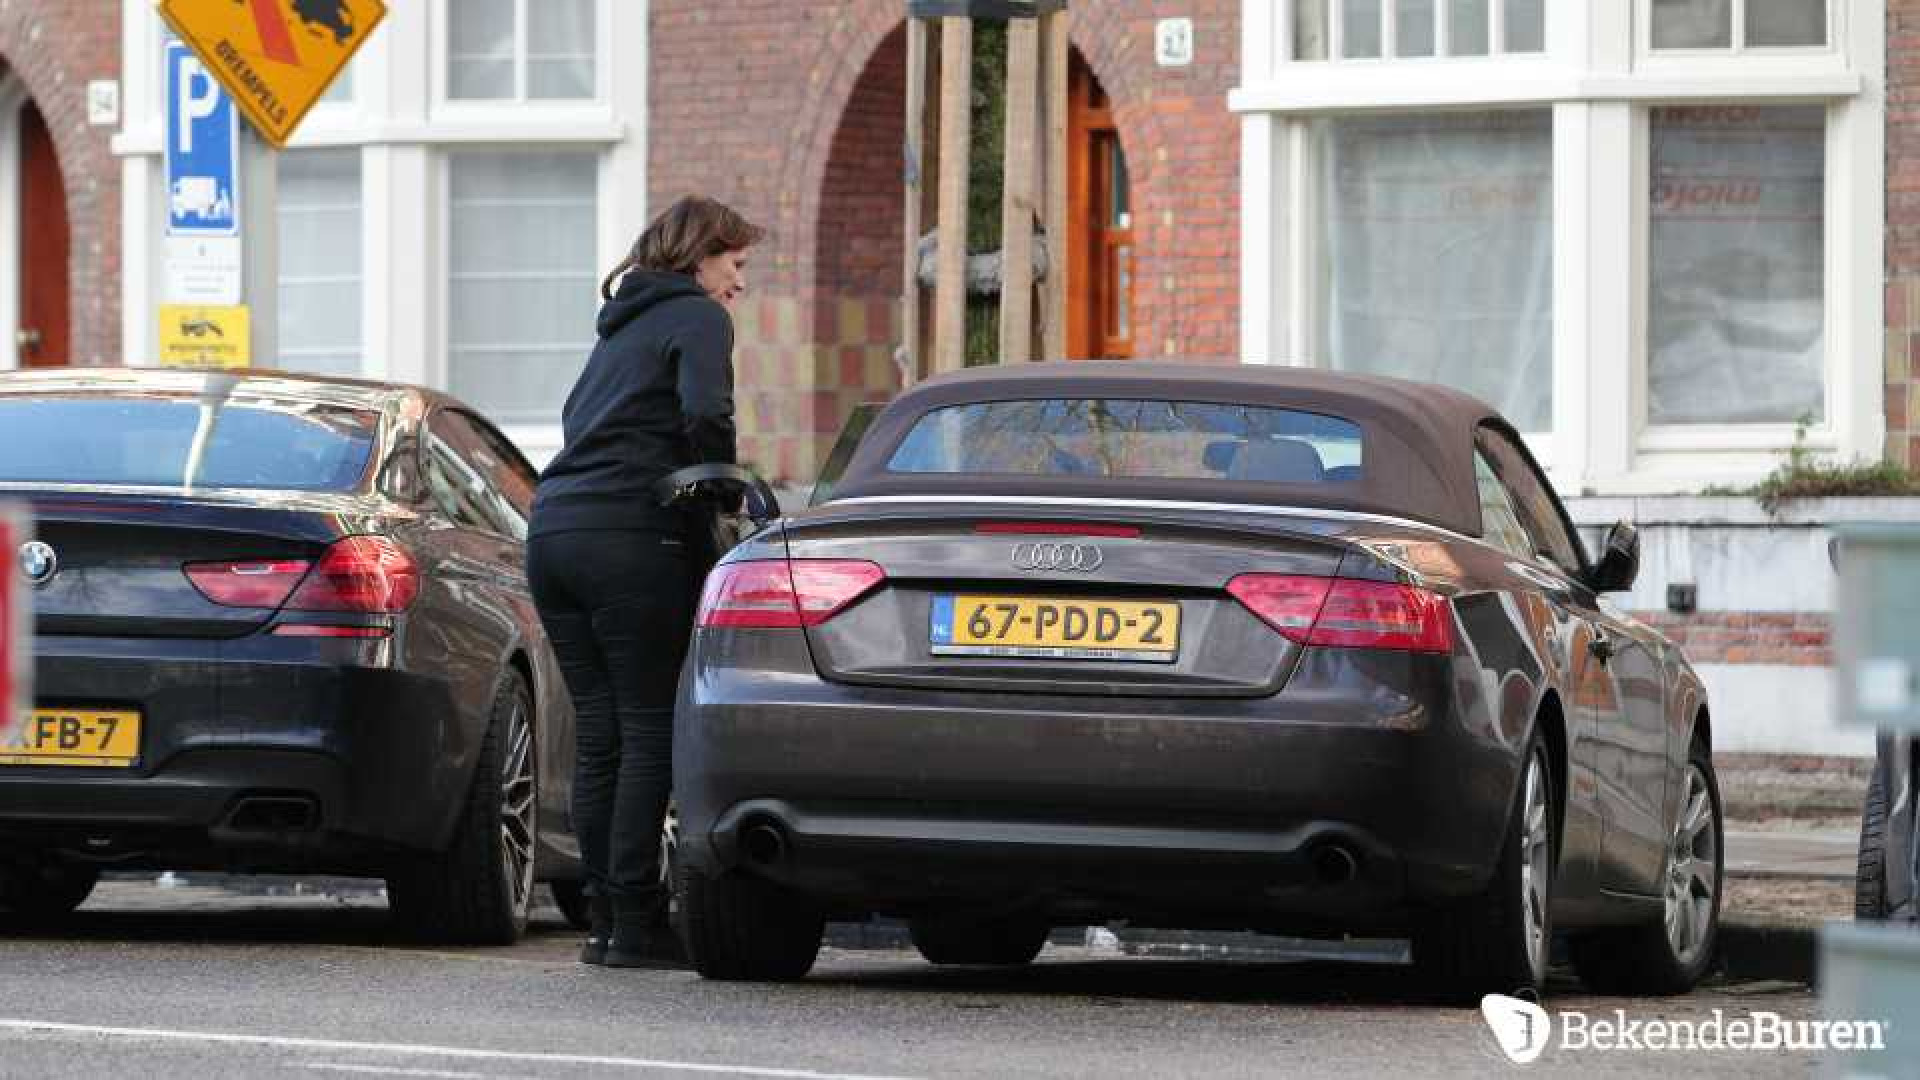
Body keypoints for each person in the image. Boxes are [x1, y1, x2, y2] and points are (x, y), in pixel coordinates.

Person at [527, 195, 762, 967]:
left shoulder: (619, 330)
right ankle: (636, 922)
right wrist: (725, 487)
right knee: (648, 728)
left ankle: (603, 921)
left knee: (602, 735)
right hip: (630, 534)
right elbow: (705, 412)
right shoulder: (697, 317)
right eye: (735, 263)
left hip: (554, 529)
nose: (739, 282)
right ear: (701, 257)